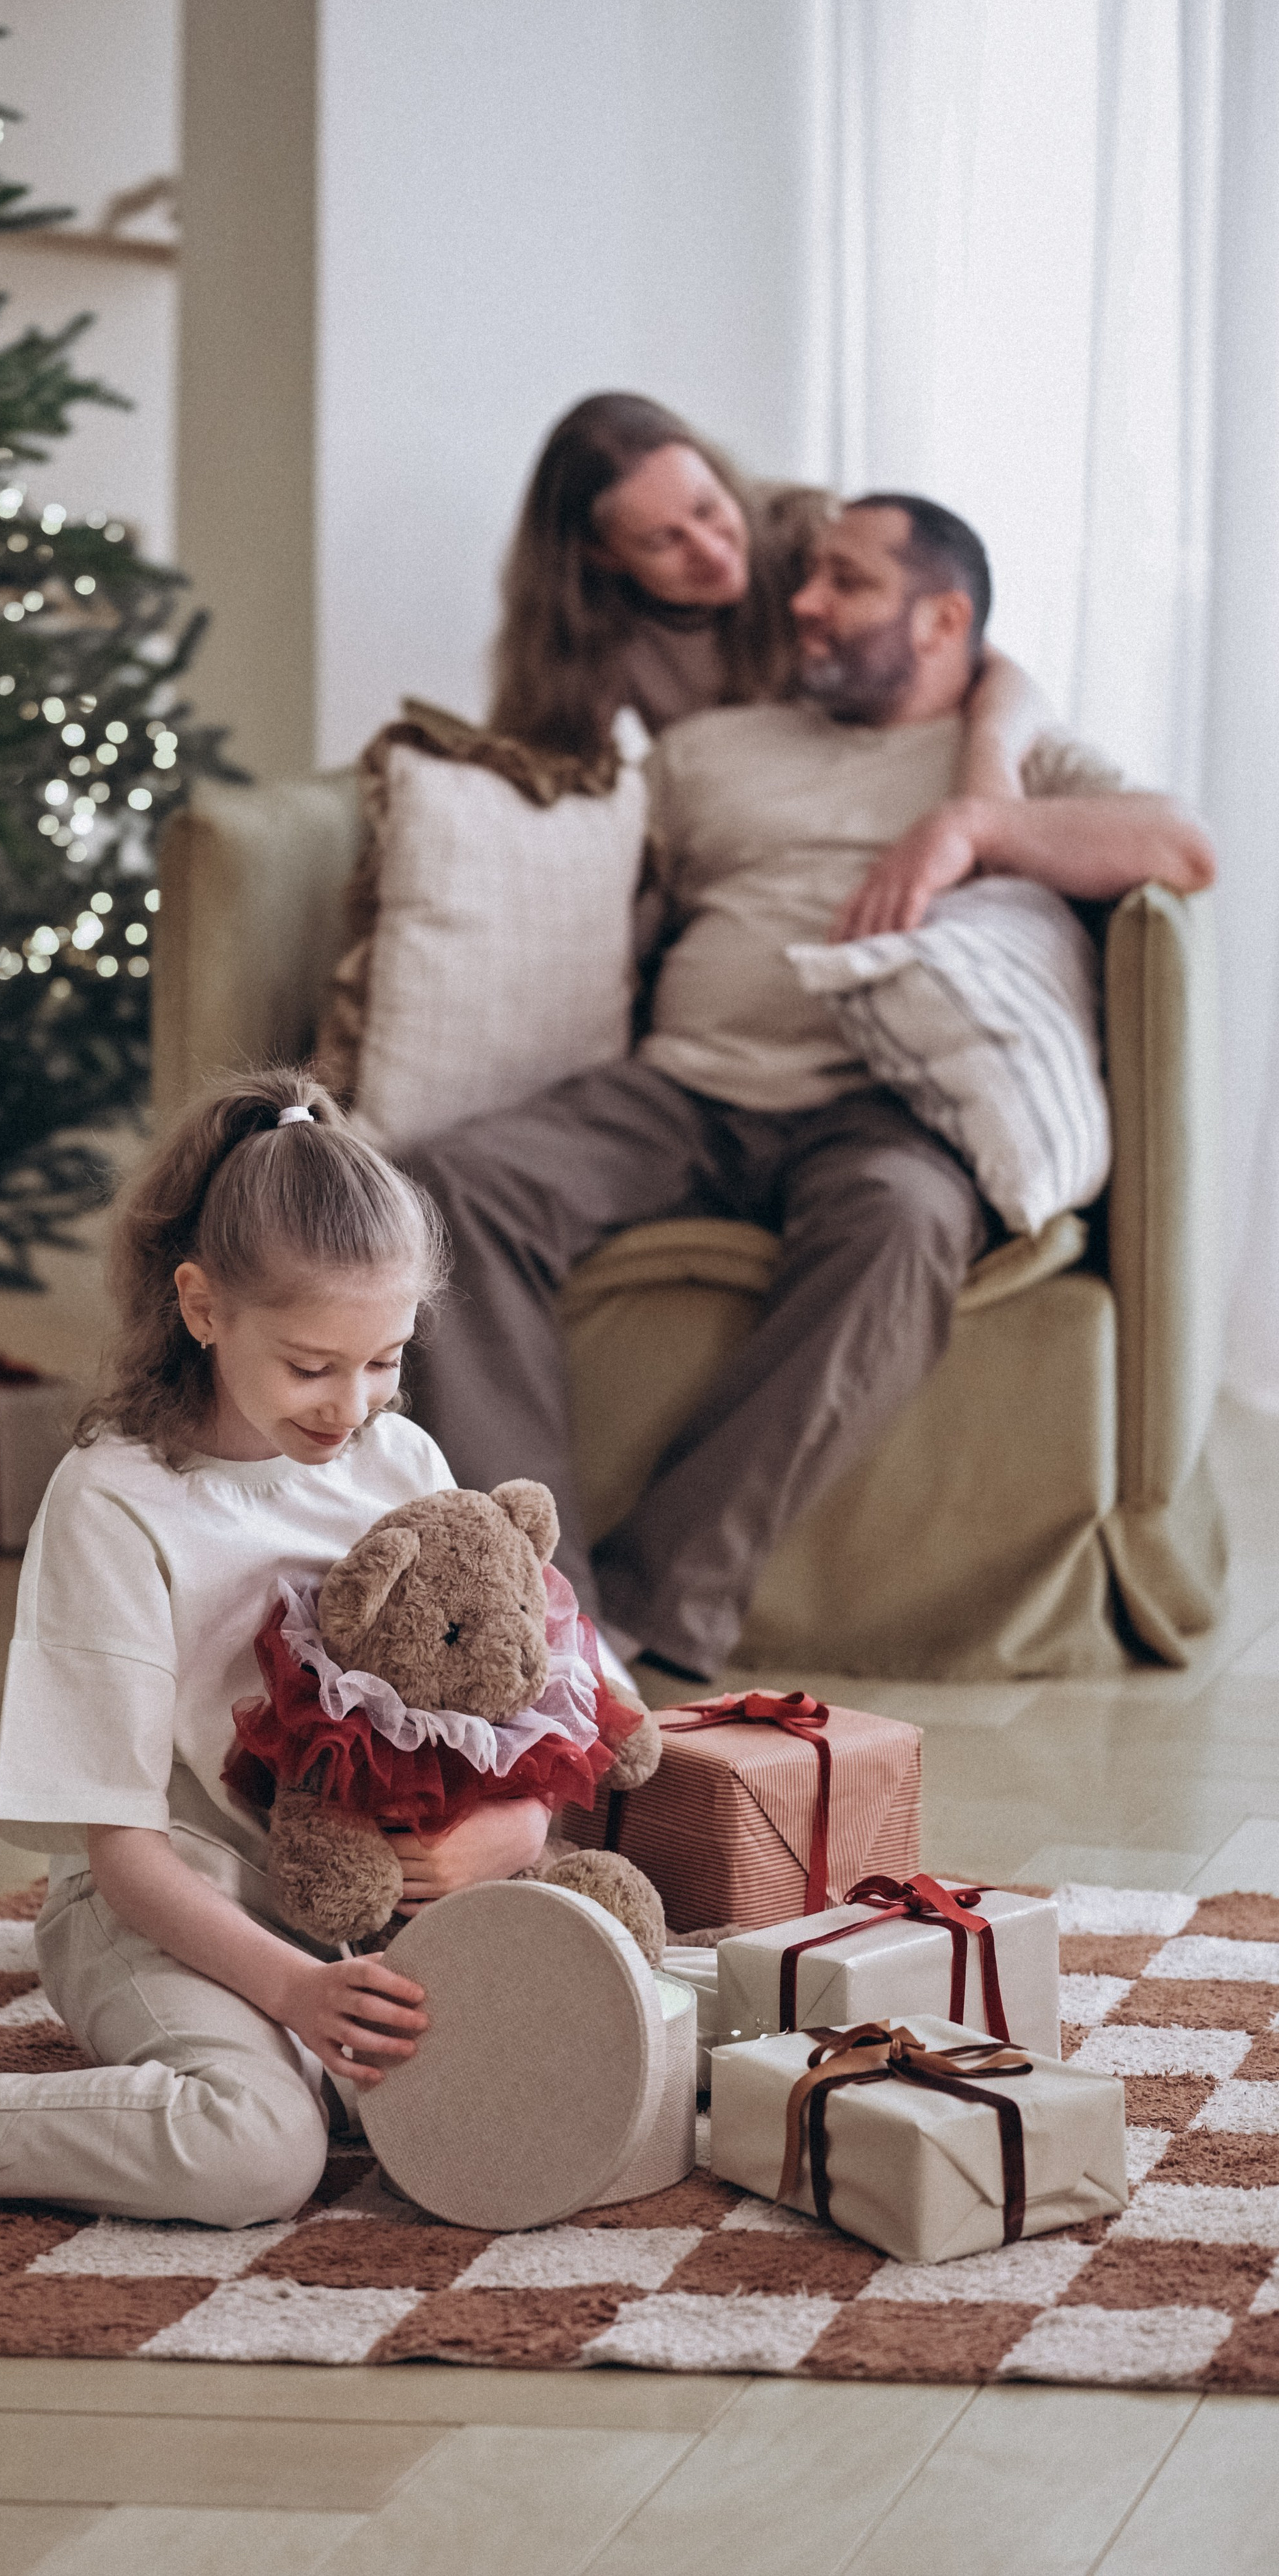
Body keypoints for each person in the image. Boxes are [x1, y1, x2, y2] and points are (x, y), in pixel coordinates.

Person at [0, 1075, 573, 2228]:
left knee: (577, 2050)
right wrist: (295, 1990)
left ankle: (304, 2062)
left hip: (359, 1901)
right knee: (257, 2154)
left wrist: (515, 1827)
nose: (354, 1407)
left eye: (386, 1359)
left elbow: (503, 1705)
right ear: (203, 1307)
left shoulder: (403, 1462)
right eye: (312, 1365)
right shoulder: (116, 1502)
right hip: (160, 1902)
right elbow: (126, 1853)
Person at [405, 494, 1215, 1683]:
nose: (804, 603)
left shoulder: (1025, 760)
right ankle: (540, 1604)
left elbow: (1185, 849)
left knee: (907, 1221)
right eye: (810, 577)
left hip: (879, 1116)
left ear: (943, 620)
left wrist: (970, 829)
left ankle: (656, 1605)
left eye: (846, 582)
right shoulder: (711, 751)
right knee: (443, 1186)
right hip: (681, 1093)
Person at [488, 388, 1041, 780]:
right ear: (601, 555)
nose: (713, 551)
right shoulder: (586, 628)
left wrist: (989, 767)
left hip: (861, 786)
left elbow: (974, 656)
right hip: (742, 824)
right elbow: (538, 764)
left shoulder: (811, 533)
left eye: (709, 508)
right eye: (664, 541)